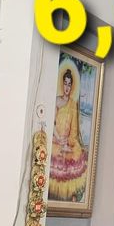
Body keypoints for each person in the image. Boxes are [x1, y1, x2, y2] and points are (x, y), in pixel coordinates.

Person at [50, 67, 88, 201]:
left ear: (72, 86)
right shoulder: (56, 100)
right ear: (62, 84)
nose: (67, 87)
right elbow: (51, 123)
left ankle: (71, 197)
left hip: (67, 141)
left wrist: (68, 142)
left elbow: (74, 131)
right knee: (55, 152)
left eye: (69, 84)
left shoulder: (72, 104)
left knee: (76, 153)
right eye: (65, 83)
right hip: (55, 139)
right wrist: (58, 138)